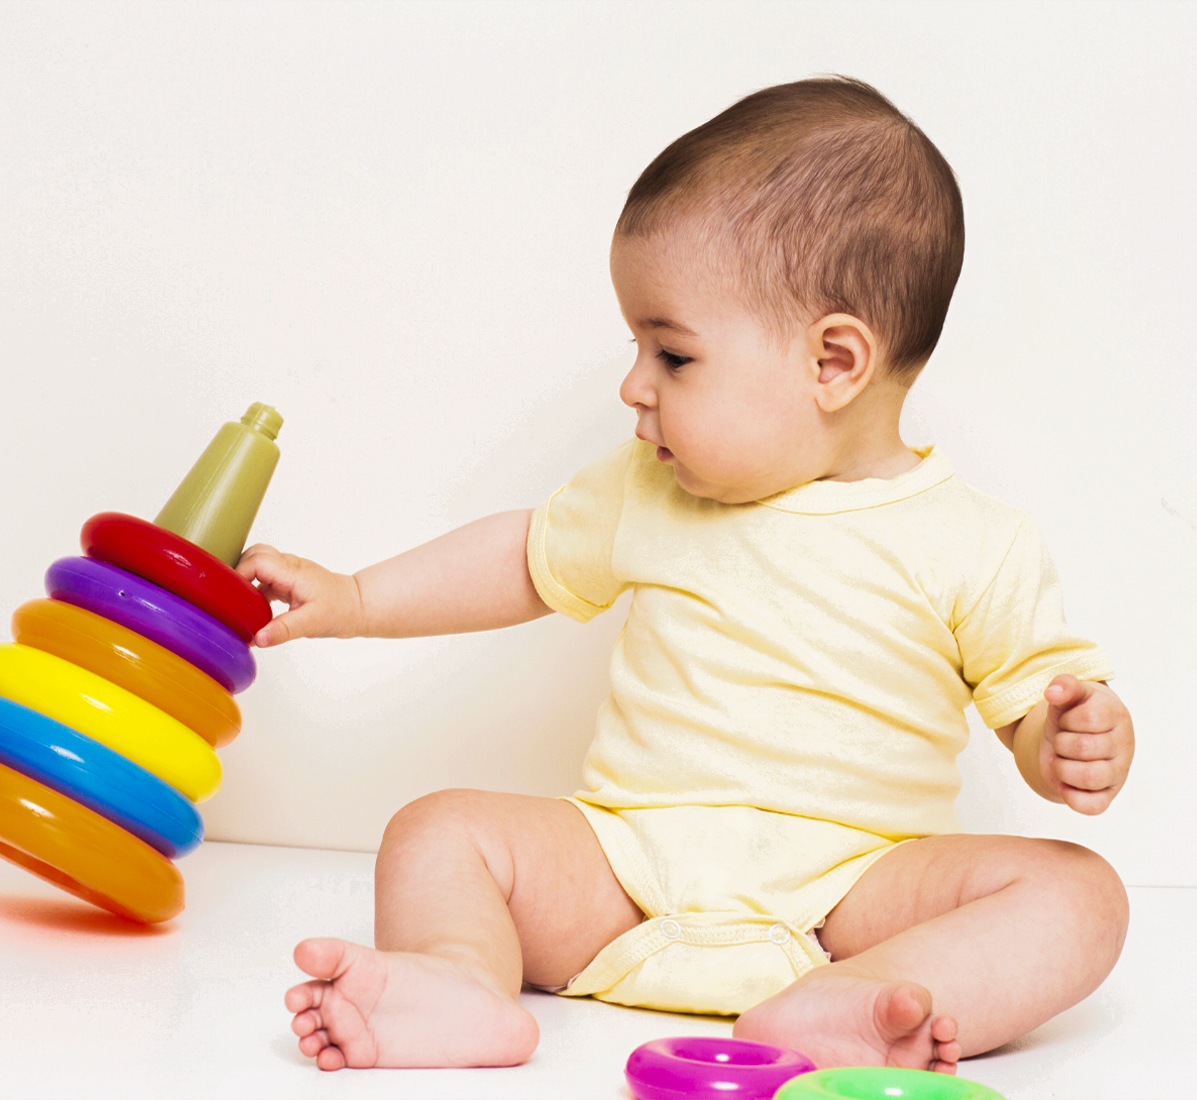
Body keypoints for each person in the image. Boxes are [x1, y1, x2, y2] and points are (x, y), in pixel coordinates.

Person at [243, 76, 1133, 1074]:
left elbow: (1028, 708)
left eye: (670, 353)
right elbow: (521, 557)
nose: (633, 384)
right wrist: (357, 599)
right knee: (438, 827)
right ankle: (459, 978)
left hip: (855, 898)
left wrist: (1067, 739)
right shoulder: (646, 489)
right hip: (629, 869)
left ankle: (841, 1007)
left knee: (1079, 891)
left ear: (834, 361)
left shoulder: (974, 540)